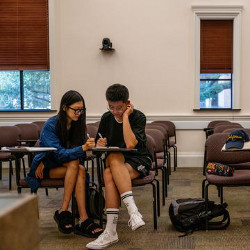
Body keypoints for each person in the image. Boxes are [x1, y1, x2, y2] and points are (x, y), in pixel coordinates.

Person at [26, 90, 103, 237]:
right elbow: (59, 154)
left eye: (81, 109)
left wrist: (90, 145)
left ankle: (67, 212)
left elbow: (77, 156)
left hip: (67, 167)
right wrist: (82, 148)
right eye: (75, 109)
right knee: (75, 164)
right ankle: (81, 218)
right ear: (64, 108)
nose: (79, 113)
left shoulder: (78, 125)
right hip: (45, 168)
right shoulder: (51, 125)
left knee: (78, 167)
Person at [86, 84, 152, 249]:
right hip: (116, 160)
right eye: (111, 107)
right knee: (114, 156)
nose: (115, 112)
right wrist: (100, 144)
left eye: (119, 108)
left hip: (138, 161)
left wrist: (126, 117)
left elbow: (130, 144)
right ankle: (133, 212)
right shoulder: (106, 118)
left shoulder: (138, 117)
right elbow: (98, 148)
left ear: (128, 103)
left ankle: (110, 232)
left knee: (109, 175)